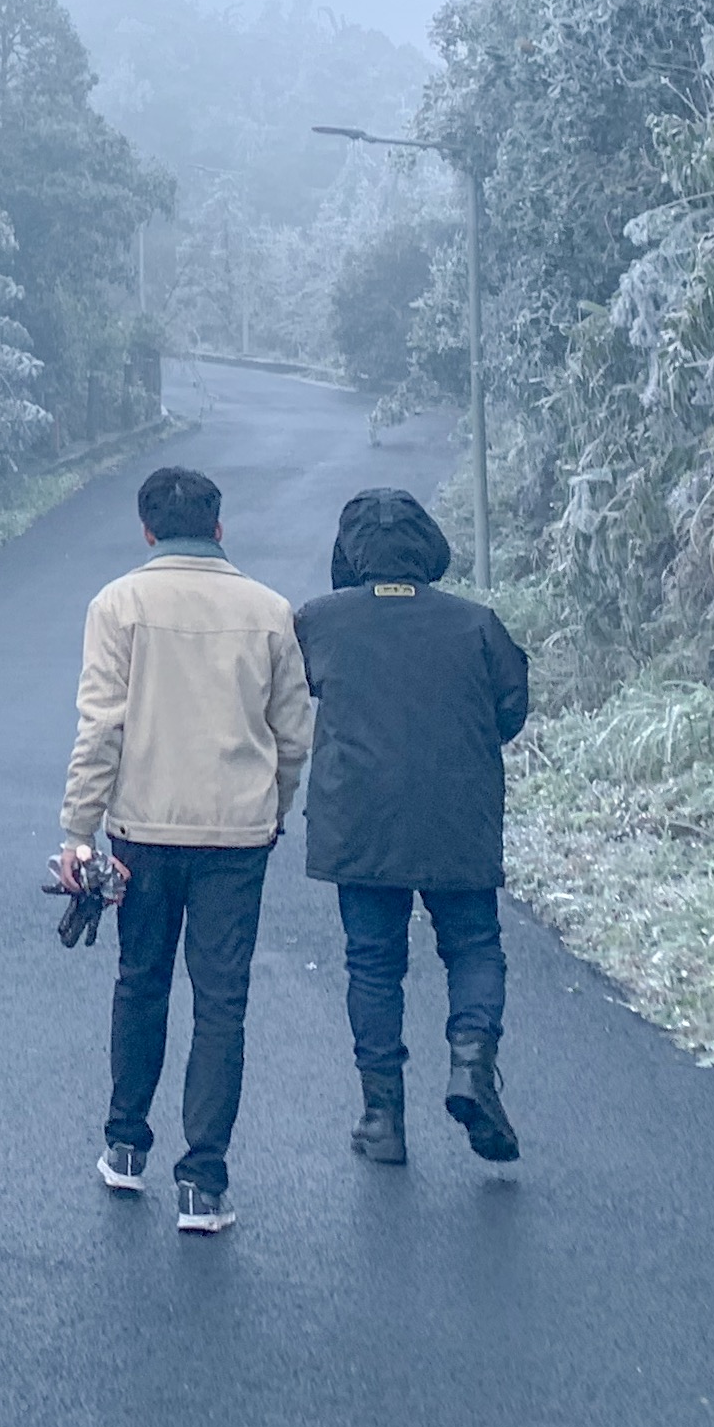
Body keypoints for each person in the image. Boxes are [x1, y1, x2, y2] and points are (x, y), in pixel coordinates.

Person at [54, 463, 312, 1235]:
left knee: (141, 983)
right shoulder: (270, 611)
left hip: (142, 829)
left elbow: (101, 726)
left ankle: (126, 1145)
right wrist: (274, 807)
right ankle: (203, 1181)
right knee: (221, 1000)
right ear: (219, 527)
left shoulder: (118, 604)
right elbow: (293, 734)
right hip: (237, 833)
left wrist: (78, 829)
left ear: (147, 531)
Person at [295, 486, 532, 1167]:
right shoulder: (476, 623)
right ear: (429, 547)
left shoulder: (319, 622)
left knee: (373, 962)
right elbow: (510, 708)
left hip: (360, 820)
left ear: (350, 553)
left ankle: (382, 1118)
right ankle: (471, 1065)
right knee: (474, 946)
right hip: (459, 815)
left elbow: (285, 695)